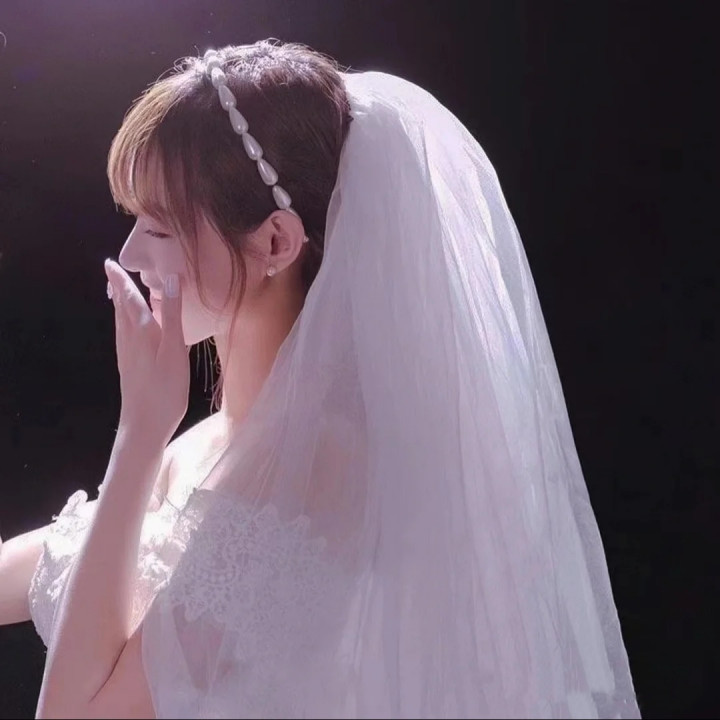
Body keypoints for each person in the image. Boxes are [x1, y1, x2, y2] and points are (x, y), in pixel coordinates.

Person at [0, 39, 641, 718]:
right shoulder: (213, 444)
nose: (130, 255)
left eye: (161, 228)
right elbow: (53, 565)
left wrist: (138, 434)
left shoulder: (316, 476)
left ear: (276, 242)